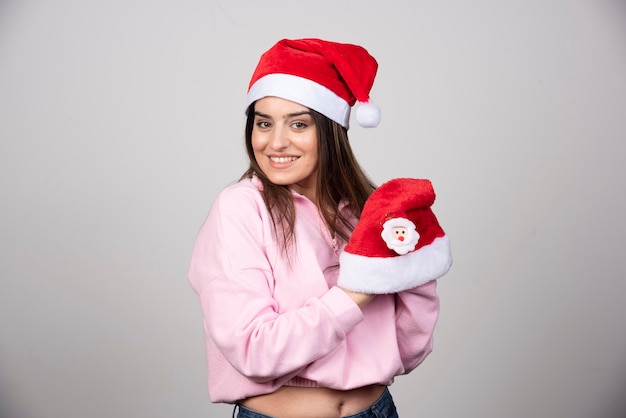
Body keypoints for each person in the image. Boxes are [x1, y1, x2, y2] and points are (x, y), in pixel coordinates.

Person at [188, 38, 452, 418]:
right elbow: (253, 349)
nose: (275, 142)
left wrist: (418, 273)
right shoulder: (241, 208)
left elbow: (408, 349)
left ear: (330, 131)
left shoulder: (368, 211)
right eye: (264, 123)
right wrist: (358, 289)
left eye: (298, 123)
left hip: (376, 410)